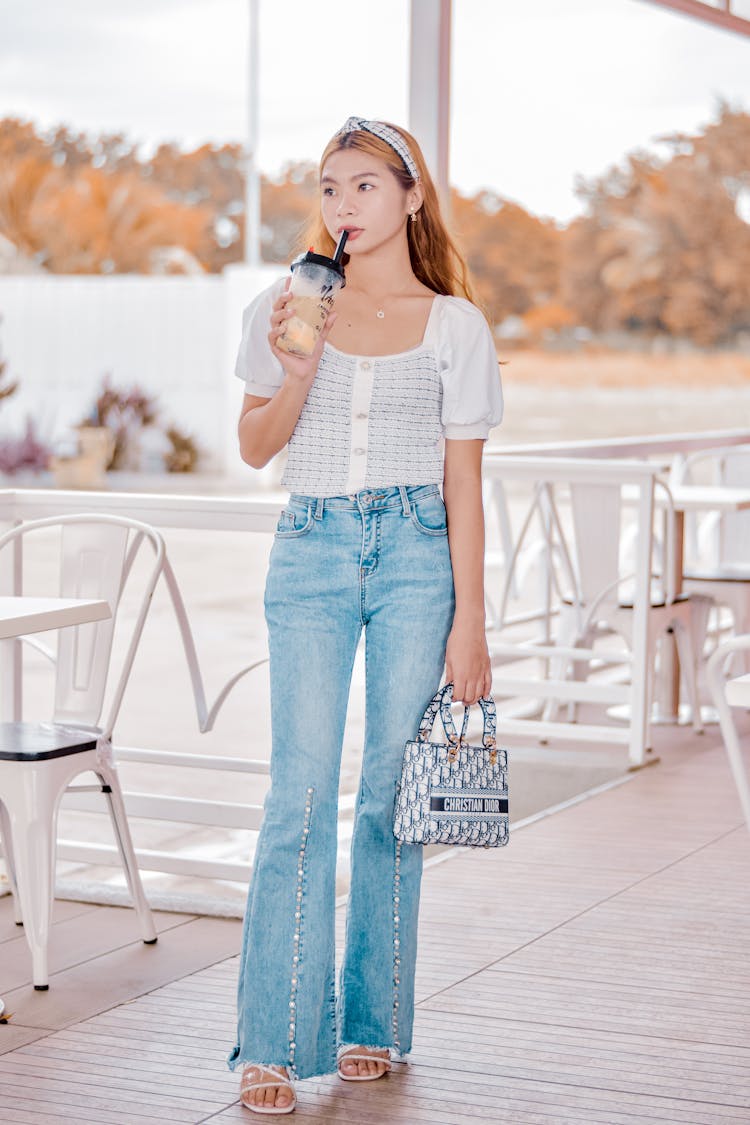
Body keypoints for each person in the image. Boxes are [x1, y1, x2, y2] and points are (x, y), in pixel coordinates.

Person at [228, 116, 503, 1115]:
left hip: (418, 559)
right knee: (296, 793)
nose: (344, 205)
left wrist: (472, 619)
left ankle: (374, 1022)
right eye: (330, 187)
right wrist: (298, 372)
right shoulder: (297, 300)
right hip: (308, 551)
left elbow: (465, 485)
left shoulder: (456, 325)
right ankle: (271, 1039)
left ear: (412, 197)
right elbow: (257, 445)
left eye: (366, 186)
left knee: (390, 797)